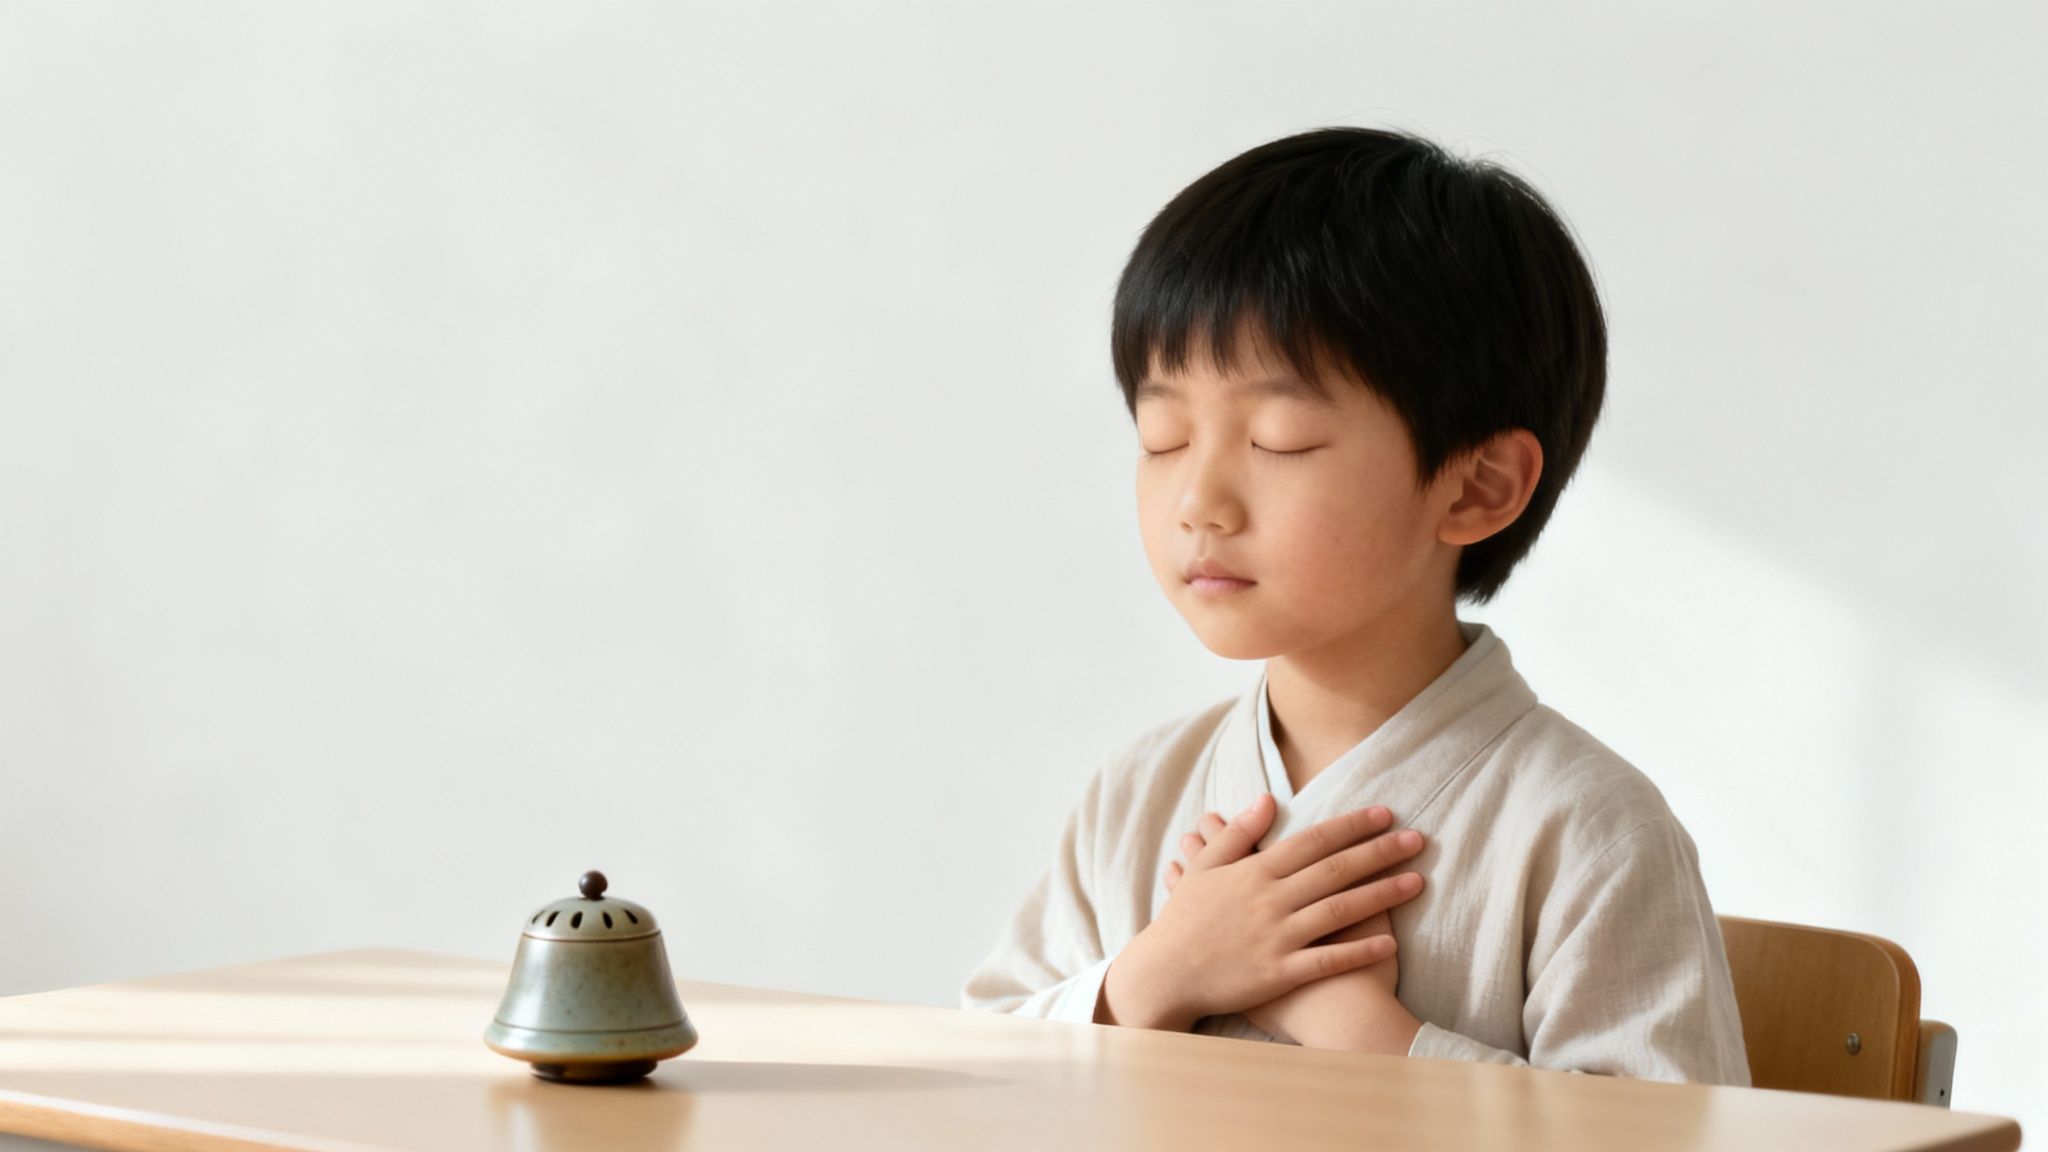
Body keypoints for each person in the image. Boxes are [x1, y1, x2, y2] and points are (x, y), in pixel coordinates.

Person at [959, 126, 1750, 1083]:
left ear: (1475, 488)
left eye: (1281, 439)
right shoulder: (1138, 794)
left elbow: (1663, 1139)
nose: (1198, 503)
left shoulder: (1588, 831)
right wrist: (1158, 973)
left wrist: (1359, 1029)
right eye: (1163, 436)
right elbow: (981, 1078)